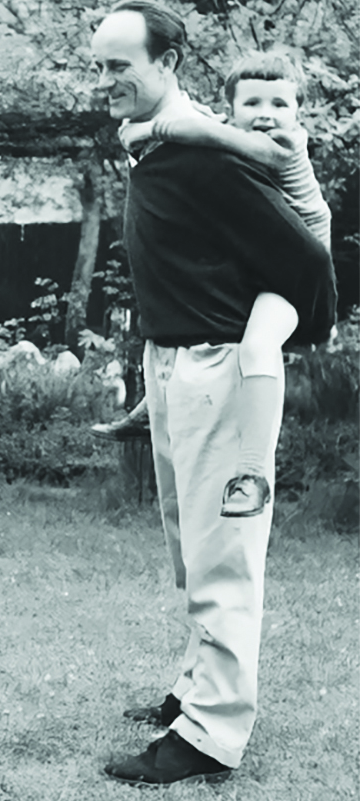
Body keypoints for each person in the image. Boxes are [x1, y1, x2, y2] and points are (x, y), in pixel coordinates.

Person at [89, 0, 336, 785]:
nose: (105, 79)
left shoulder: (208, 153)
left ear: (167, 62)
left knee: (223, 556)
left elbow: (310, 259)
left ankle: (209, 734)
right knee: (190, 550)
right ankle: (194, 688)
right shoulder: (158, 146)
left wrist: (290, 332)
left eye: (120, 65)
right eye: (98, 66)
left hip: (219, 369)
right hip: (172, 363)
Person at [91, 51, 332, 516]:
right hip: (261, 265)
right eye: (253, 103)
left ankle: (252, 473)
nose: (266, 114)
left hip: (295, 277)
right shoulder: (233, 135)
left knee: (257, 347)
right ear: (232, 109)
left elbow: (204, 131)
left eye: (280, 104)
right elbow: (203, 122)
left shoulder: (284, 143)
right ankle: (152, 409)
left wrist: (152, 128)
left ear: (297, 113)